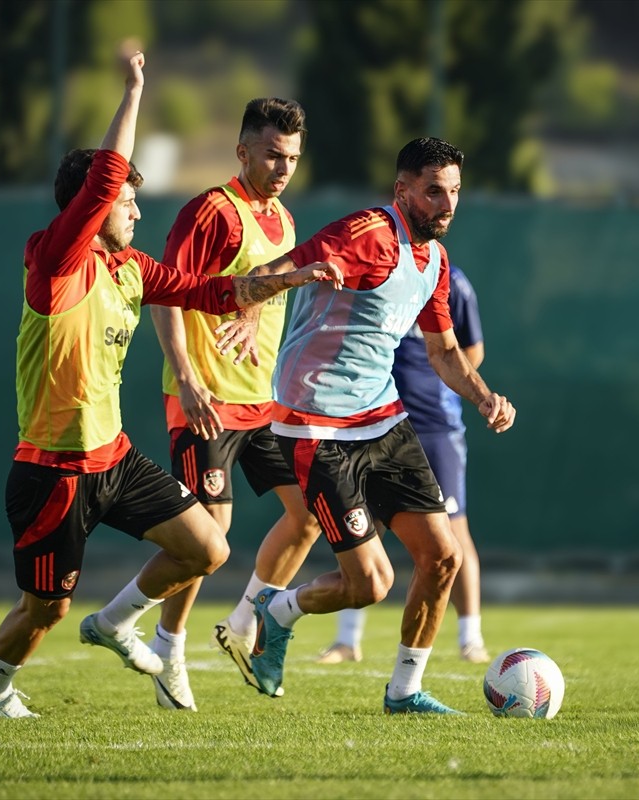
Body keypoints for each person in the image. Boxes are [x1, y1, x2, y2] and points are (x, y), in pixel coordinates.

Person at [0, 49, 341, 719]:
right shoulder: (55, 264)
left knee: (207, 547)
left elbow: (217, 292)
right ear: (93, 207)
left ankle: (118, 623)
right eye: (126, 203)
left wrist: (296, 276)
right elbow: (106, 176)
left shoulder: (132, 267)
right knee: (44, 610)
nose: (135, 213)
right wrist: (135, 89)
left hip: (114, 457)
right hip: (52, 471)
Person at [222, 137, 516, 715]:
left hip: (382, 418)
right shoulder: (366, 235)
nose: (447, 203)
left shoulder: (434, 261)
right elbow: (259, 277)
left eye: (454, 191)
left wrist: (485, 398)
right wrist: (264, 302)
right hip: (315, 426)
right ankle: (276, 611)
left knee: (444, 557)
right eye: (434, 191)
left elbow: (444, 352)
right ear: (402, 189)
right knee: (370, 585)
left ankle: (404, 692)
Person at [145, 97, 321, 711]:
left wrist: (248, 310)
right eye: (272, 154)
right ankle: (168, 648)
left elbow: (256, 282)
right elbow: (165, 294)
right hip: (207, 401)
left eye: (292, 157)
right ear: (242, 150)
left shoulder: (285, 220)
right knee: (209, 537)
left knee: (307, 517)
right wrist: (188, 378)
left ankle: (246, 622)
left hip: (262, 403)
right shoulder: (210, 211)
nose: (282, 167)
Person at [314, 263, 490, 666]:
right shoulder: (377, 277)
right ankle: (347, 639)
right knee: (362, 529)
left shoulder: (452, 281)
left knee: (454, 532)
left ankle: (470, 637)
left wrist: (440, 377)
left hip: (435, 426)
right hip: (376, 423)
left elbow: (472, 349)